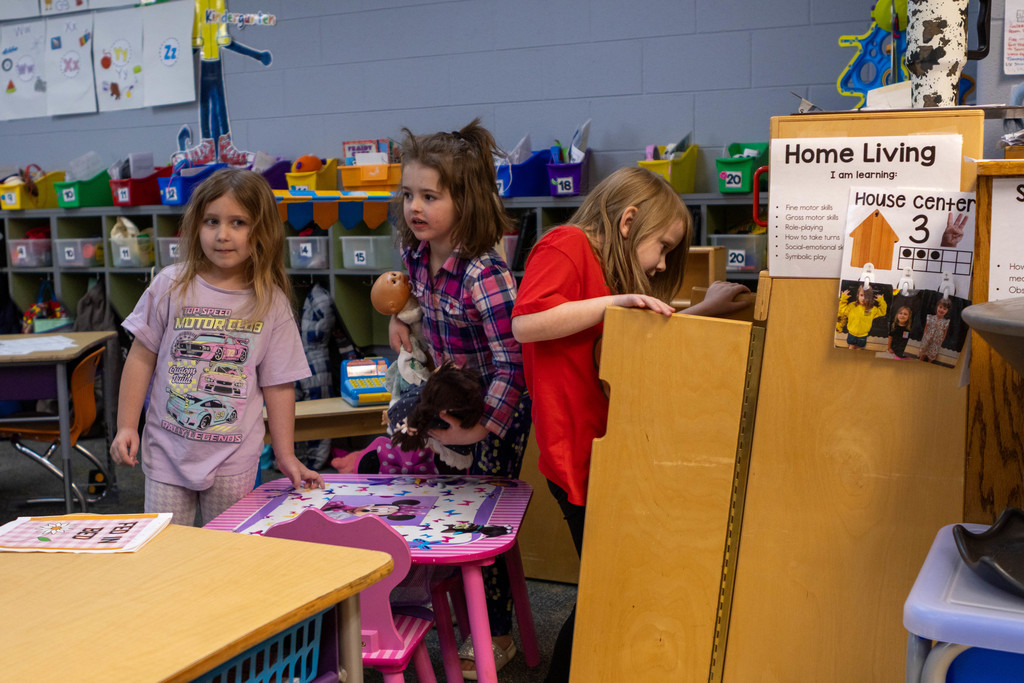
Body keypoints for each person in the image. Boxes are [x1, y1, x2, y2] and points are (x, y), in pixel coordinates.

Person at [510, 166, 751, 683]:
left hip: (605, 451)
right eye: (662, 247)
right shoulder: (566, 244)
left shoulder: (607, 270)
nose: (662, 262)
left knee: (611, 584)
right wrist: (614, 302)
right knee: (606, 590)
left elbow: (636, 341)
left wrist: (705, 309)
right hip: (574, 455)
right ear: (628, 221)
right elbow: (526, 323)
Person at [389, 118, 532, 678]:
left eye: (430, 196)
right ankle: (459, 612)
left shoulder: (484, 273)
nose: (415, 207)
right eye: (409, 195)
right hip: (453, 397)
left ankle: (496, 633)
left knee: (483, 524)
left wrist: (483, 427)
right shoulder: (417, 256)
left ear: (465, 200)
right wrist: (403, 320)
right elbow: (415, 303)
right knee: (450, 511)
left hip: (496, 408)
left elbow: (513, 363)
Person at [110, 168, 323, 527]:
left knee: (227, 550)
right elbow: (141, 358)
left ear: (261, 231)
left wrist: (285, 455)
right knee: (164, 550)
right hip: (167, 451)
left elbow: (278, 384)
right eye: (212, 221)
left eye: (238, 223)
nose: (223, 235)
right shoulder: (170, 284)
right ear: (196, 226)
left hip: (233, 459)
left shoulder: (271, 302)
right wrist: (127, 426)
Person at [838, 283, 887, 349]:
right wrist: (843, 299)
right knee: (851, 346)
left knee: (859, 348)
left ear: (870, 297)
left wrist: (881, 301)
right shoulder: (852, 306)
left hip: (863, 335)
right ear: (858, 295)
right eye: (861, 295)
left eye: (867, 296)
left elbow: (882, 312)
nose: (863, 298)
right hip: (851, 334)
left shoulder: (872, 309)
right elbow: (842, 310)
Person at [919, 297, 952, 363]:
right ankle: (920, 361)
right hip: (927, 339)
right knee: (923, 352)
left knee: (931, 355)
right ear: (937, 307)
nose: (942, 310)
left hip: (936, 342)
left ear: (947, 311)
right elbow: (926, 328)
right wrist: (924, 338)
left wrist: (940, 342)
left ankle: (929, 363)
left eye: (944, 309)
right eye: (940, 307)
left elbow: (944, 333)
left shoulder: (946, 322)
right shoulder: (930, 317)